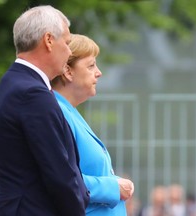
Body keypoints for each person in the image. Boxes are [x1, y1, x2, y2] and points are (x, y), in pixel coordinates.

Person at [0, 5, 89, 216]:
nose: (69, 52)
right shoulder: (32, 93)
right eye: (67, 43)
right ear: (49, 40)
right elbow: (59, 174)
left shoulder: (15, 83)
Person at [51, 34, 134, 215]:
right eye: (90, 65)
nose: (99, 72)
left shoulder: (69, 111)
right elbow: (59, 179)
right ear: (68, 71)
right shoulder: (57, 112)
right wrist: (113, 187)